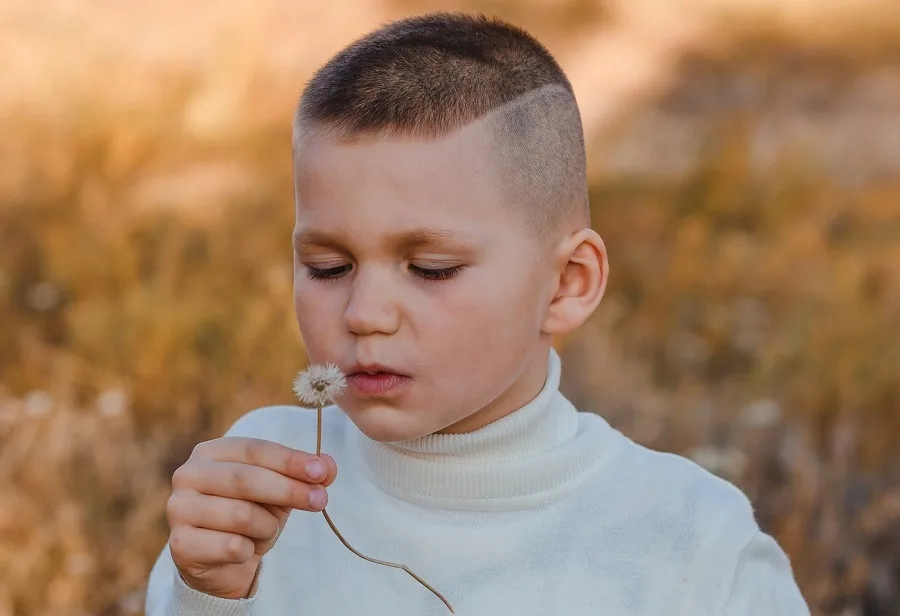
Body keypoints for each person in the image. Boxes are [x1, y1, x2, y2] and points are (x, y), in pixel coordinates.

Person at [145, 12, 810, 616]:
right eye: (329, 267)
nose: (365, 314)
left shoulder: (691, 541)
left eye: (431, 268)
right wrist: (206, 596)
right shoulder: (254, 488)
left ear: (566, 285)